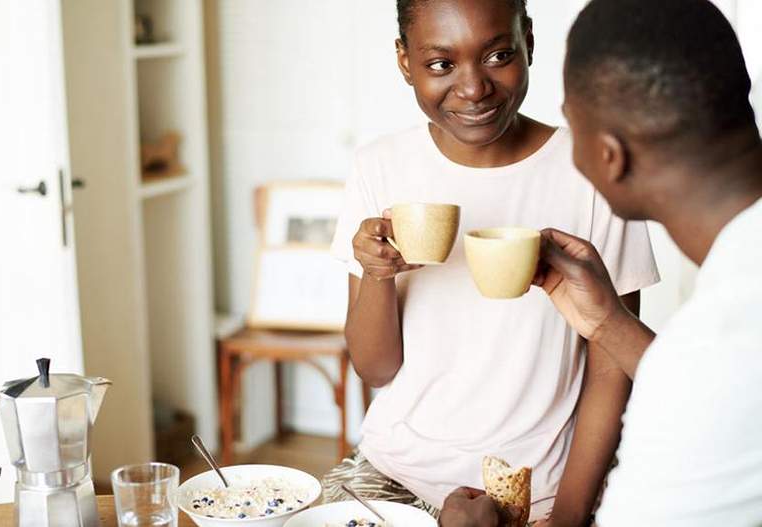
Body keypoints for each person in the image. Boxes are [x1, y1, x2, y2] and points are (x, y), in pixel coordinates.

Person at [326, 0, 659, 523]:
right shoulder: (379, 166)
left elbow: (612, 366)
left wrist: (569, 517)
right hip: (392, 472)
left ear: (529, 39)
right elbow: (375, 368)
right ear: (404, 61)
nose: (474, 87)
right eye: (440, 64)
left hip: (539, 487)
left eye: (499, 54)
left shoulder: (595, 169)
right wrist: (375, 274)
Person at [441, 0, 762, 525]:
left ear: (610, 155)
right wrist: (609, 323)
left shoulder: (719, 356)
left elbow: (713, 387)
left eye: (573, 124)